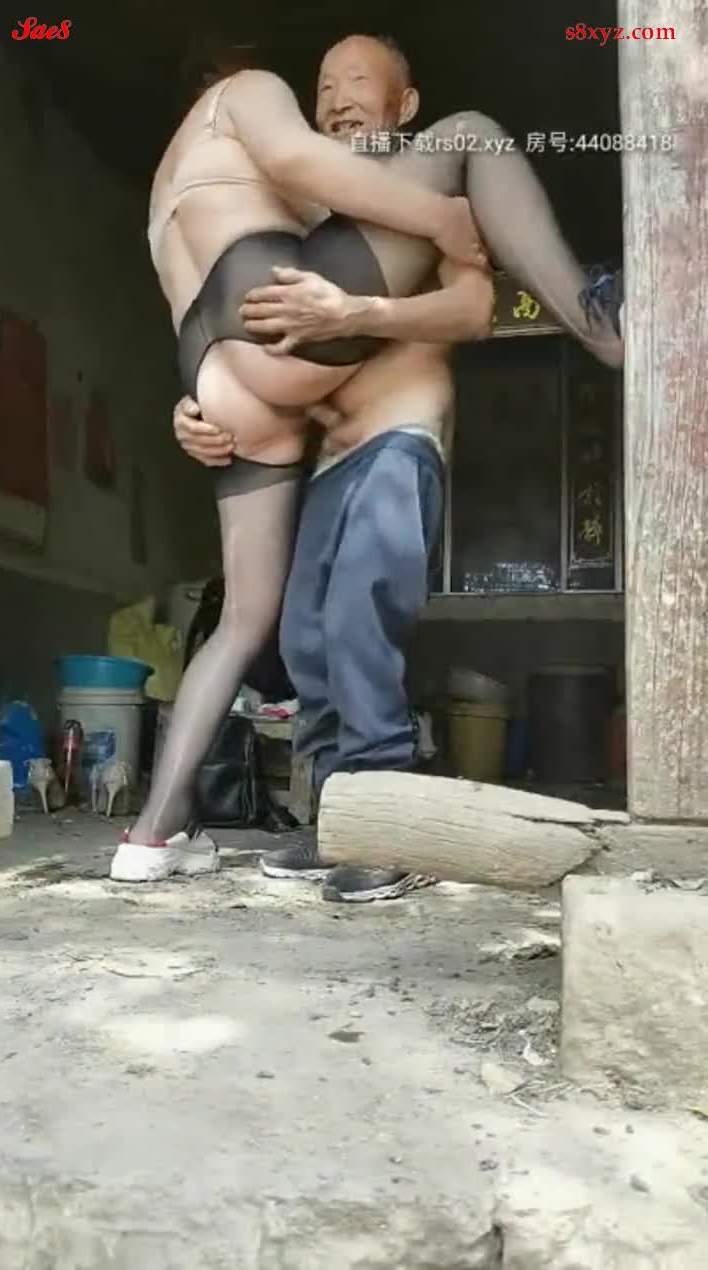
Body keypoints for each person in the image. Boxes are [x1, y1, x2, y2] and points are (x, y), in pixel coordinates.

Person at [170, 34, 623, 901]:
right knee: (305, 645)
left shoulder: (428, 191)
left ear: (404, 106)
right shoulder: (309, 213)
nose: (338, 98)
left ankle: (392, 829)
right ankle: (340, 822)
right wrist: (199, 408)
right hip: (327, 460)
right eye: (323, 86)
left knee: (355, 624)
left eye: (358, 81)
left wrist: (356, 310)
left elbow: (476, 308)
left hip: (399, 435)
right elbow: (232, 329)